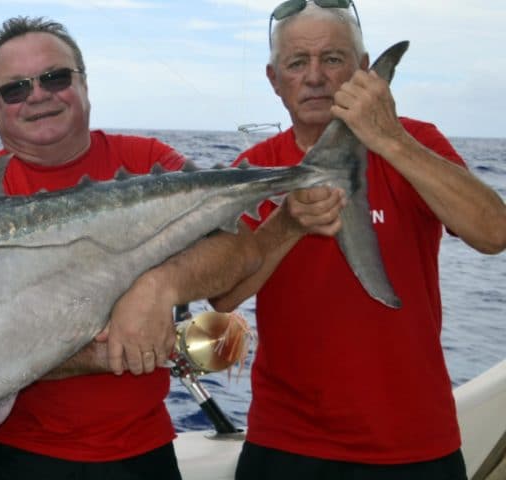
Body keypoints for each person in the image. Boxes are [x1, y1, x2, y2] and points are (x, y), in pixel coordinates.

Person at [0, 17, 263, 480]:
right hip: (7, 458)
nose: (37, 95)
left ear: (85, 83)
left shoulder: (149, 164)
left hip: (145, 451)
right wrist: (100, 353)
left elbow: (242, 251)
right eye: (15, 89)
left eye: (54, 78)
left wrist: (159, 286)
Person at [209, 2, 506, 479]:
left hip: (416, 443)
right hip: (286, 444)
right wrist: (287, 223)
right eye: (297, 63)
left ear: (364, 70)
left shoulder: (417, 141)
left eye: (332, 59)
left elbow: (494, 233)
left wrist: (389, 139)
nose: (315, 77)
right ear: (273, 78)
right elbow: (224, 294)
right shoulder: (253, 169)